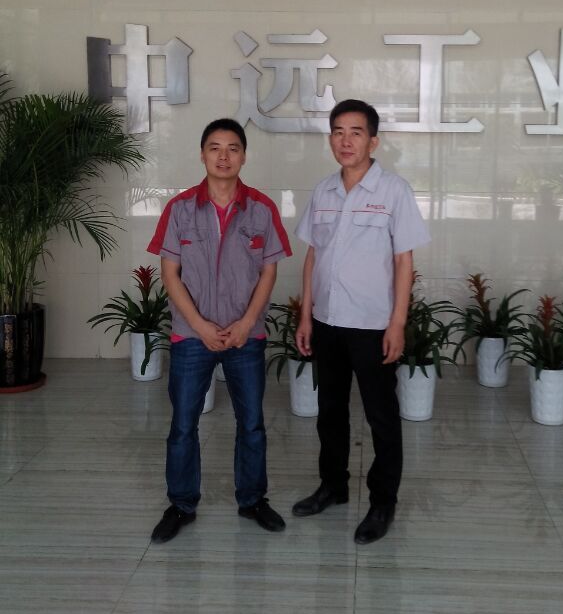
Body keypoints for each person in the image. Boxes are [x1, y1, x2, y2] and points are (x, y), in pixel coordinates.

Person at [292, 99, 430, 544]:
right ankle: (332, 486)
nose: (345, 140)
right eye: (338, 132)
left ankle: (382, 501)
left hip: (372, 325)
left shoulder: (394, 191)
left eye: (355, 132)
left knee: (381, 417)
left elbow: (404, 262)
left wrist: (397, 323)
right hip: (328, 321)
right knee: (330, 412)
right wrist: (306, 315)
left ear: (373, 141)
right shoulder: (323, 191)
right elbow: (313, 255)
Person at [147, 118, 291, 543]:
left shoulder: (262, 208)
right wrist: (200, 326)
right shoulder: (180, 209)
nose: (223, 156)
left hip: (246, 336)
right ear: (202, 154)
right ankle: (181, 504)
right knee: (183, 425)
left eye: (232, 148)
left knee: (252, 424)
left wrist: (246, 323)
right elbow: (169, 274)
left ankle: (253, 500)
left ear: (244, 156)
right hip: (192, 337)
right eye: (215, 148)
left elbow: (269, 271)